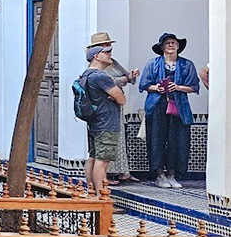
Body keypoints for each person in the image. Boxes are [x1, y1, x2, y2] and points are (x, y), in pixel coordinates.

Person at [138, 31, 200, 189]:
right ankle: (159, 175)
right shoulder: (152, 64)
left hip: (178, 107)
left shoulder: (187, 65)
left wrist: (178, 87)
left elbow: (194, 87)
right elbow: (144, 85)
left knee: (177, 141)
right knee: (156, 140)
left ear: (178, 46)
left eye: (173, 43)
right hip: (157, 107)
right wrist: (156, 88)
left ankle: (172, 175)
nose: (171, 45)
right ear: (162, 47)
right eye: (167, 43)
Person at [80, 37, 127, 197]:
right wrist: (116, 95)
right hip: (106, 123)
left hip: (94, 122)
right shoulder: (101, 77)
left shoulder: (85, 75)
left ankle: (92, 193)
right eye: (106, 52)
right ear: (96, 56)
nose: (110, 55)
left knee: (93, 157)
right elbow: (122, 99)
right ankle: (102, 198)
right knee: (102, 161)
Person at [99, 41, 139, 184]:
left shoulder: (113, 63)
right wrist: (124, 79)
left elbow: (127, 76)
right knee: (106, 140)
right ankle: (105, 176)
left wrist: (131, 75)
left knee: (120, 137)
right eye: (105, 47)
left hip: (116, 103)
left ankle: (123, 172)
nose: (108, 50)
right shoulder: (96, 69)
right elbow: (109, 81)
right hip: (106, 104)